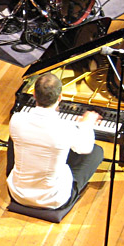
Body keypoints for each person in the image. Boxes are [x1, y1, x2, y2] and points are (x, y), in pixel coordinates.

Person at [6, 73, 104, 210]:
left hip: (18, 193)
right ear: (60, 97)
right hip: (52, 199)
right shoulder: (65, 128)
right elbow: (85, 148)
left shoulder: (17, 119)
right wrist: (86, 124)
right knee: (96, 152)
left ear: (34, 95)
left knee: (15, 138)